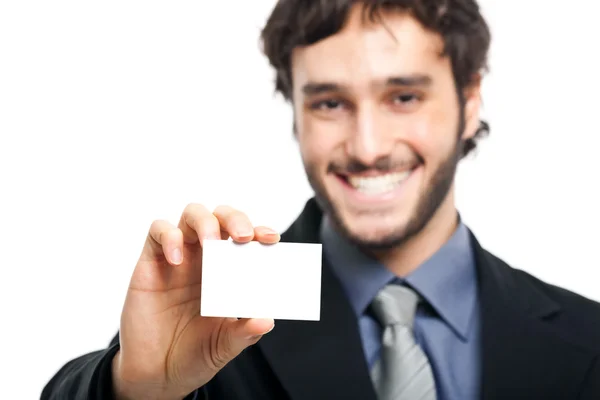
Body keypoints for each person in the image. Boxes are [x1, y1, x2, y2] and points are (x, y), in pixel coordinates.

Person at [42, 0, 600, 399]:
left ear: (469, 100)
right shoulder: (213, 323)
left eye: (403, 96)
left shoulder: (587, 340)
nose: (368, 147)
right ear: (296, 111)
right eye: (330, 104)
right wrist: (138, 391)